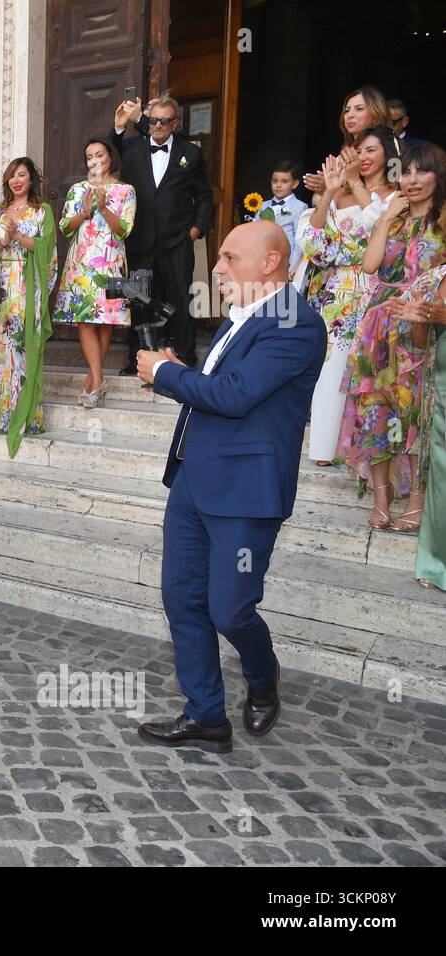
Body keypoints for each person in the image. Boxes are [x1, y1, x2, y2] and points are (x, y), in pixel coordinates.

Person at [135, 221, 325, 752]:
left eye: (227, 258)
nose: (215, 269)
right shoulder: (239, 318)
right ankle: (205, 716)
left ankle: (263, 679)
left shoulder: (297, 323)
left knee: (230, 608)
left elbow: (237, 394)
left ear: (270, 263)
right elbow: (218, 390)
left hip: (246, 491)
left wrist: (165, 376)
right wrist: (178, 369)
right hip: (194, 480)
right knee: (181, 599)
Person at [337, 142, 446, 529]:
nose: (413, 180)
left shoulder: (443, 222)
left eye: (423, 172)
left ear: (438, 176)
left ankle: (416, 500)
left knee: (414, 412)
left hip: (419, 329)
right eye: (408, 172)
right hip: (378, 328)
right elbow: (370, 265)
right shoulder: (394, 215)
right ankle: (382, 497)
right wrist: (384, 219)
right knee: (373, 412)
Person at [300, 126, 400, 469]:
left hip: (375, 290)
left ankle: (365, 454)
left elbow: (381, 227)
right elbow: (315, 247)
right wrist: (328, 193)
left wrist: (356, 183)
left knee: (368, 372)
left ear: (389, 155)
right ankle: (325, 448)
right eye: (359, 151)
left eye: (371, 151)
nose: (363, 158)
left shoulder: (396, 196)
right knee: (329, 370)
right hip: (332, 293)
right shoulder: (337, 197)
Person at [111, 93, 214, 372]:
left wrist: (196, 229)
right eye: (153, 120)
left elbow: (204, 196)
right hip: (140, 239)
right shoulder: (131, 148)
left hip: (177, 240)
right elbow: (106, 156)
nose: (157, 126)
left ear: (175, 123)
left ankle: (185, 356)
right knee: (140, 300)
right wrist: (120, 127)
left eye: (164, 121)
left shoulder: (190, 154)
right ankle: (138, 360)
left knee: (180, 298)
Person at [0, 157, 58, 455]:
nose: (16, 180)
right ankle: (0, 414)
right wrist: (0, 242)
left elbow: (48, 249)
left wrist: (19, 236)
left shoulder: (42, 211)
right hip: (1, 288)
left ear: (31, 179)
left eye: (21, 175)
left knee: (24, 348)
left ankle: (27, 416)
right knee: (2, 348)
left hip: (28, 288)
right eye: (12, 176)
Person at [54, 138, 136, 407]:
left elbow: (124, 229)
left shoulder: (125, 190)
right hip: (82, 263)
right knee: (85, 320)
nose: (95, 160)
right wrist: (86, 212)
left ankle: (93, 381)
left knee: (105, 322)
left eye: (99, 154)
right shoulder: (78, 190)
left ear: (110, 156)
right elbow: (66, 227)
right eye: (89, 156)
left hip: (112, 262)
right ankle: (98, 379)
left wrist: (103, 208)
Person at [395, 264, 446, 589]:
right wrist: (420, 318)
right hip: (442, 385)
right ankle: (436, 562)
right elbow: (418, 340)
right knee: (441, 472)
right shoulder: (437, 276)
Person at [301, 86, 390, 197]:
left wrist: (333, 188)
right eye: (347, 111)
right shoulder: (340, 159)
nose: (350, 115)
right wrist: (324, 189)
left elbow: (392, 192)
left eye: (359, 109)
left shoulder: (392, 150)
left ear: (376, 115)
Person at [252, 161, 308, 276]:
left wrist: (291, 268)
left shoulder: (300, 207)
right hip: (262, 260)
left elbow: (299, 241)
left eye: (284, 182)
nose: (278, 185)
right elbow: (254, 233)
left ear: (295, 184)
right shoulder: (262, 206)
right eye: (274, 181)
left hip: (285, 263)